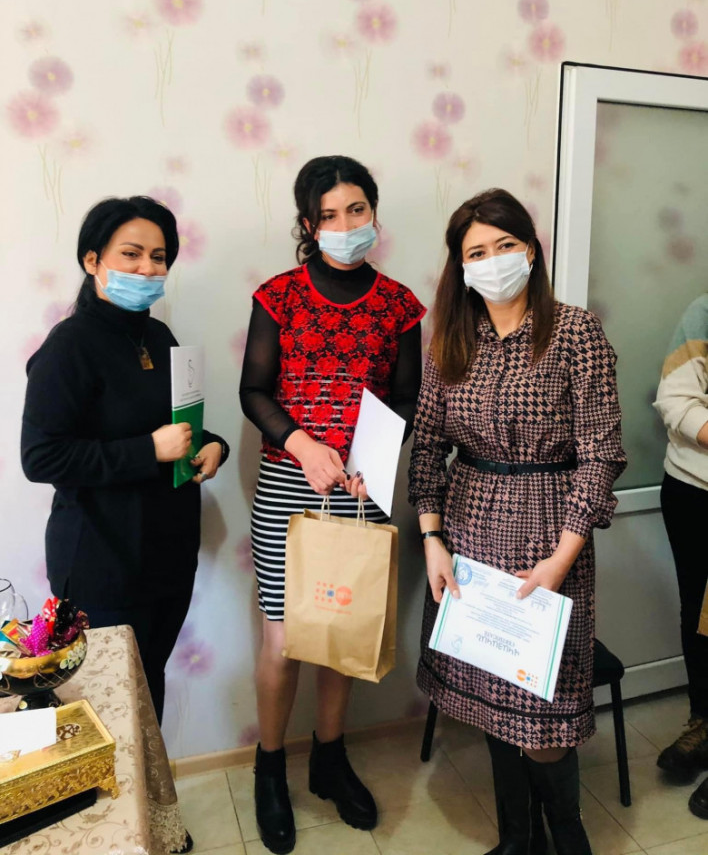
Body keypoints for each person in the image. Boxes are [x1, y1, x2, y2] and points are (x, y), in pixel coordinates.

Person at [408, 188, 625, 855]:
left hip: (551, 537)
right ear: (461, 265)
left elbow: (601, 454)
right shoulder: (449, 340)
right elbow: (427, 446)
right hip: (468, 536)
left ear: (530, 250)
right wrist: (432, 539)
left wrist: (561, 558)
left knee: (544, 715)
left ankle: (568, 839)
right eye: (477, 251)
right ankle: (517, 840)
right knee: (492, 700)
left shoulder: (575, 332)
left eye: (505, 245)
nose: (493, 260)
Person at [239, 155, 426, 854]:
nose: (345, 225)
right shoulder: (278, 296)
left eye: (356, 210)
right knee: (285, 640)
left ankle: (329, 757)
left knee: (342, 635)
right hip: (290, 487)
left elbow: (406, 395)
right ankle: (269, 769)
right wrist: (302, 444)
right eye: (328, 215)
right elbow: (254, 390)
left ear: (373, 212)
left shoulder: (400, 304)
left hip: (362, 488)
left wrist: (370, 457)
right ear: (308, 224)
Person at [21, 196, 229, 728]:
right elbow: (41, 456)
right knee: (108, 704)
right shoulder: (69, 346)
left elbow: (177, 425)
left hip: (168, 553)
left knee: (146, 687)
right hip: (102, 561)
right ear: (92, 260)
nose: (147, 269)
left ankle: (149, 785)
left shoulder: (157, 336)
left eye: (159, 257)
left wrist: (213, 445)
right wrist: (147, 451)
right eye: (131, 254)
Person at [654, 294, 708, 819]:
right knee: (697, 613)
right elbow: (676, 401)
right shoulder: (704, 311)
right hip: (694, 488)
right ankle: (703, 724)